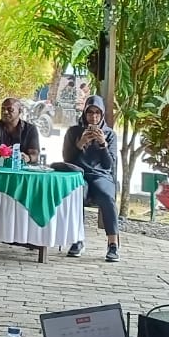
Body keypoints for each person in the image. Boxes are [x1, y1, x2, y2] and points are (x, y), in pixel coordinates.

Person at [60, 97, 120, 261]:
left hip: (101, 175)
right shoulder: (73, 132)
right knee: (77, 193)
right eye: (90, 113)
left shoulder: (109, 135)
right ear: (84, 113)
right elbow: (67, 159)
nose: (93, 117)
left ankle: (113, 244)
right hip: (79, 174)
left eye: (97, 113)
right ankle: (77, 239)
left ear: (102, 115)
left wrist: (102, 145)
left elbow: (109, 165)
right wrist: (80, 143)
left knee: (107, 196)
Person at [0, 97, 41, 163]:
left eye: (10, 109)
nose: (5, 112)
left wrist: (28, 158)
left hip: (20, 169)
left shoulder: (30, 129)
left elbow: (35, 155)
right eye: (3, 109)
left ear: (20, 111)